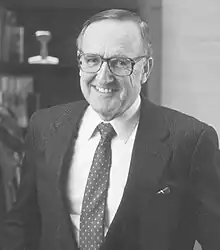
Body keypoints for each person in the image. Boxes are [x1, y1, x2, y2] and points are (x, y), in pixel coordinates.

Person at [1, 8, 220, 250]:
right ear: (80, 62)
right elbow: (22, 223)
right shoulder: (43, 127)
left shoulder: (190, 141)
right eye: (92, 60)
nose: (103, 77)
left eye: (119, 63)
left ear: (145, 69)